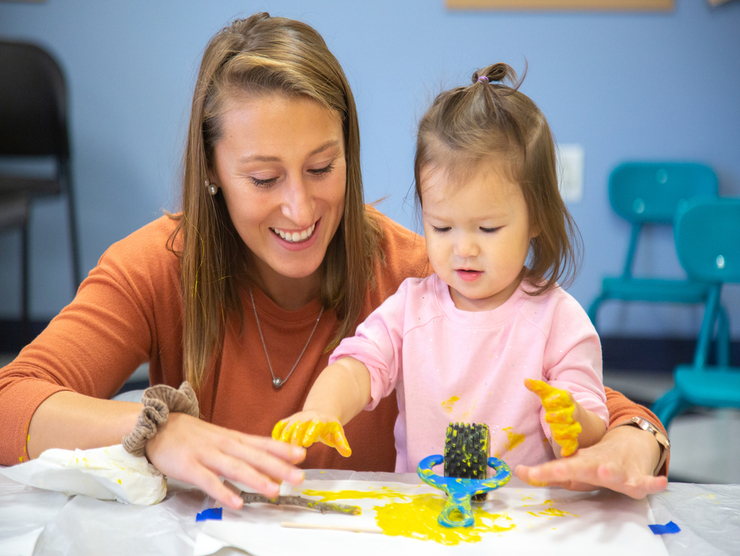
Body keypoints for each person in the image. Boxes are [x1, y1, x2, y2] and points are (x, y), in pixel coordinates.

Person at [0, 13, 668, 512]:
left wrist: (633, 441)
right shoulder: (156, 266)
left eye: (322, 167)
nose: (299, 208)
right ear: (213, 171)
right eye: (263, 178)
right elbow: (12, 404)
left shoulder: (420, 275)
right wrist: (156, 430)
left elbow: (605, 407)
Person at [273, 63, 609, 475]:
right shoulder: (412, 309)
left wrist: (575, 420)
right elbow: (358, 367)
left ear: (536, 218)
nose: (463, 248)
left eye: (488, 228)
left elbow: (594, 419)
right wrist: (322, 410)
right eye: (441, 226)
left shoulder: (558, 320)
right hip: (427, 519)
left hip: (525, 521)